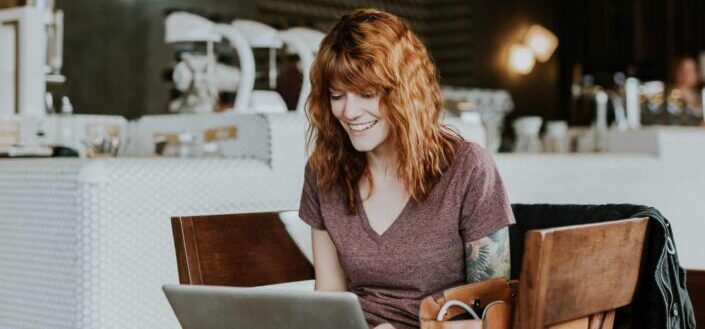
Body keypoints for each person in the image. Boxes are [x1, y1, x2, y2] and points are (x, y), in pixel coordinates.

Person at [298, 8, 515, 329]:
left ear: (404, 93)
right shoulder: (323, 172)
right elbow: (329, 301)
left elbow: (496, 315)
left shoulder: (468, 168)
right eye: (337, 95)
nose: (349, 111)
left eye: (367, 94)